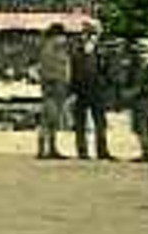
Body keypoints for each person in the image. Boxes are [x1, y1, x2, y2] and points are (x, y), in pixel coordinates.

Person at [69, 31, 113, 160]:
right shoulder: (76, 54)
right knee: (80, 124)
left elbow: (107, 72)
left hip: (97, 92)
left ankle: (102, 151)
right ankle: (82, 151)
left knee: (100, 123)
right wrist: (72, 90)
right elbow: (72, 74)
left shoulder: (101, 54)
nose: (88, 40)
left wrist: (105, 86)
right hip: (81, 92)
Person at [36, 24, 72, 160]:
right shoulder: (53, 50)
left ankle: (50, 148)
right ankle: (44, 149)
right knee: (49, 118)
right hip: (53, 86)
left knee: (52, 119)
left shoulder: (48, 48)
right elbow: (55, 71)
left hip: (52, 86)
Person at [128, 38, 148, 163]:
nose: (139, 54)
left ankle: (146, 153)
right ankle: (144, 151)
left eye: (142, 51)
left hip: (145, 100)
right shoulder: (137, 65)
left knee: (143, 128)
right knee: (138, 128)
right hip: (138, 100)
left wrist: (137, 91)